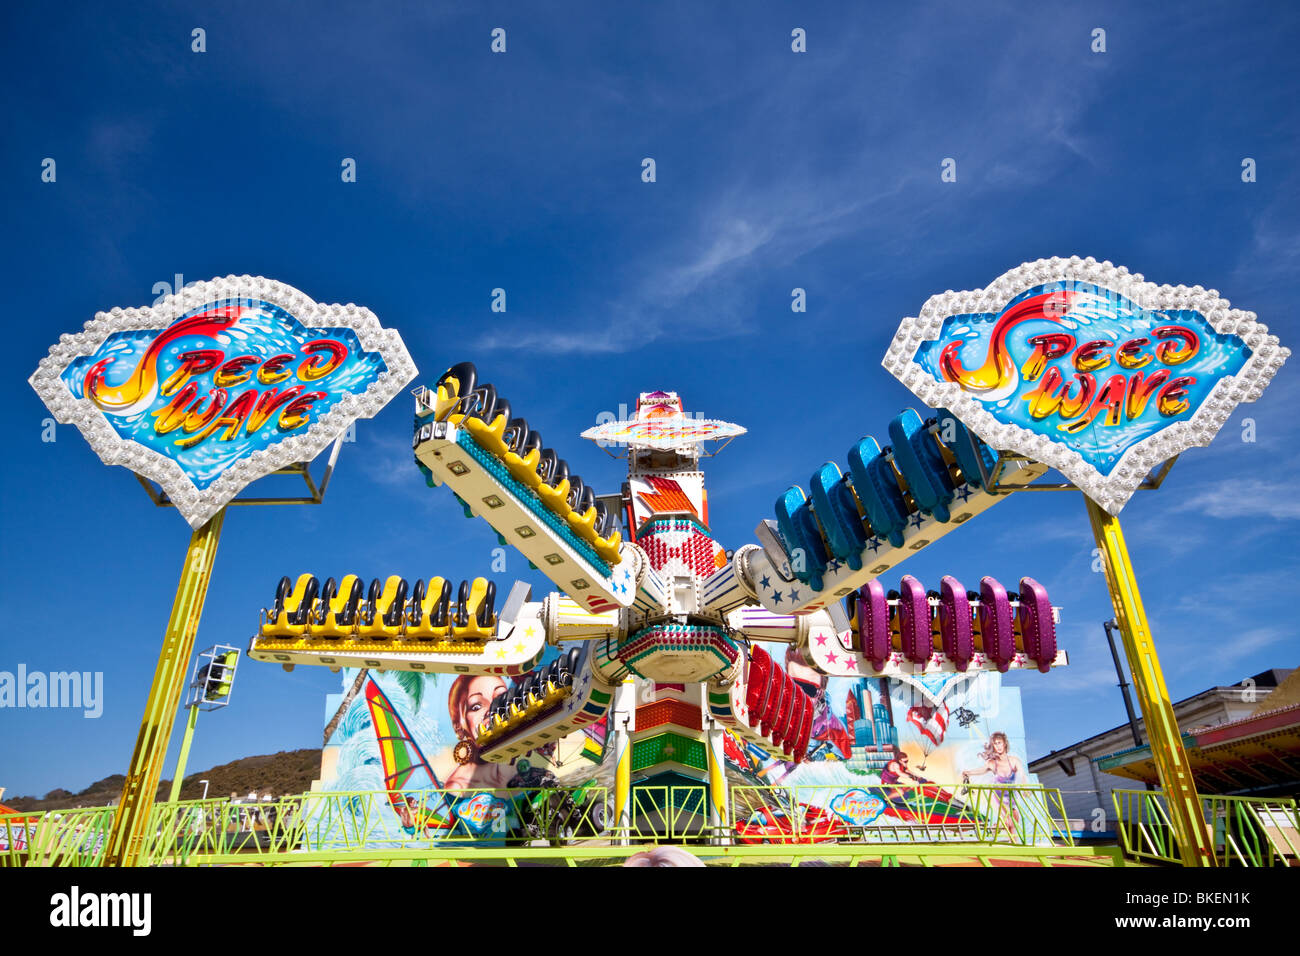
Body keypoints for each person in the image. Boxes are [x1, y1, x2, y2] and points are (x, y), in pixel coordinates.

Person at [432, 674, 517, 791]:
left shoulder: (518, 775)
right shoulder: (457, 787)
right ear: (458, 727)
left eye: (501, 698)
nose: (491, 710)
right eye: (476, 706)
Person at [961, 731, 1026, 838]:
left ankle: (1007, 836)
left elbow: (1022, 774)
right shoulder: (992, 762)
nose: (998, 746)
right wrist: (969, 772)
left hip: (1012, 794)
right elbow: (982, 770)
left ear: (1005, 743)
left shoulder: (1013, 760)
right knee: (1010, 818)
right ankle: (1000, 829)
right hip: (999, 794)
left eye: (999, 743)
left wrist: (1024, 788)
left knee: (1015, 819)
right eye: (995, 744)